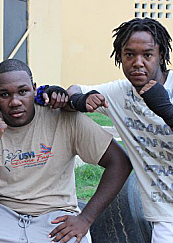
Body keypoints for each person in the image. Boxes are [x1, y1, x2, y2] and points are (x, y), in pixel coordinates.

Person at [0, 59, 132, 243]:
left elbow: (120, 162)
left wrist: (86, 219)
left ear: (34, 89)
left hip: (56, 216)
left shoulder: (63, 118)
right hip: (0, 214)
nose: (15, 102)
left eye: (23, 91)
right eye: (5, 94)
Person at [39, 17, 173, 243]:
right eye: (130, 55)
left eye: (147, 55)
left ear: (161, 56)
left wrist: (166, 110)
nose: (138, 62)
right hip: (165, 216)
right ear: (119, 57)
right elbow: (73, 91)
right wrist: (80, 101)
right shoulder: (120, 93)